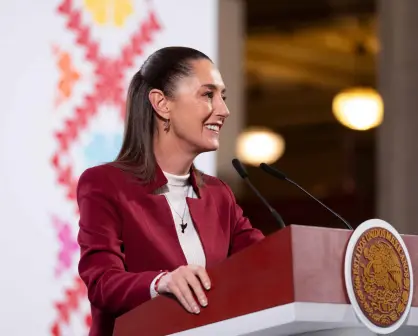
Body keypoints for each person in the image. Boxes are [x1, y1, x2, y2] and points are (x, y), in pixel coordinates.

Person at [76, 46, 265, 336]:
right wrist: (160, 283)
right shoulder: (104, 184)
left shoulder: (218, 195)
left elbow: (265, 260)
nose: (224, 110)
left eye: (223, 97)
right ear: (162, 104)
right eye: (207, 94)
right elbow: (102, 282)